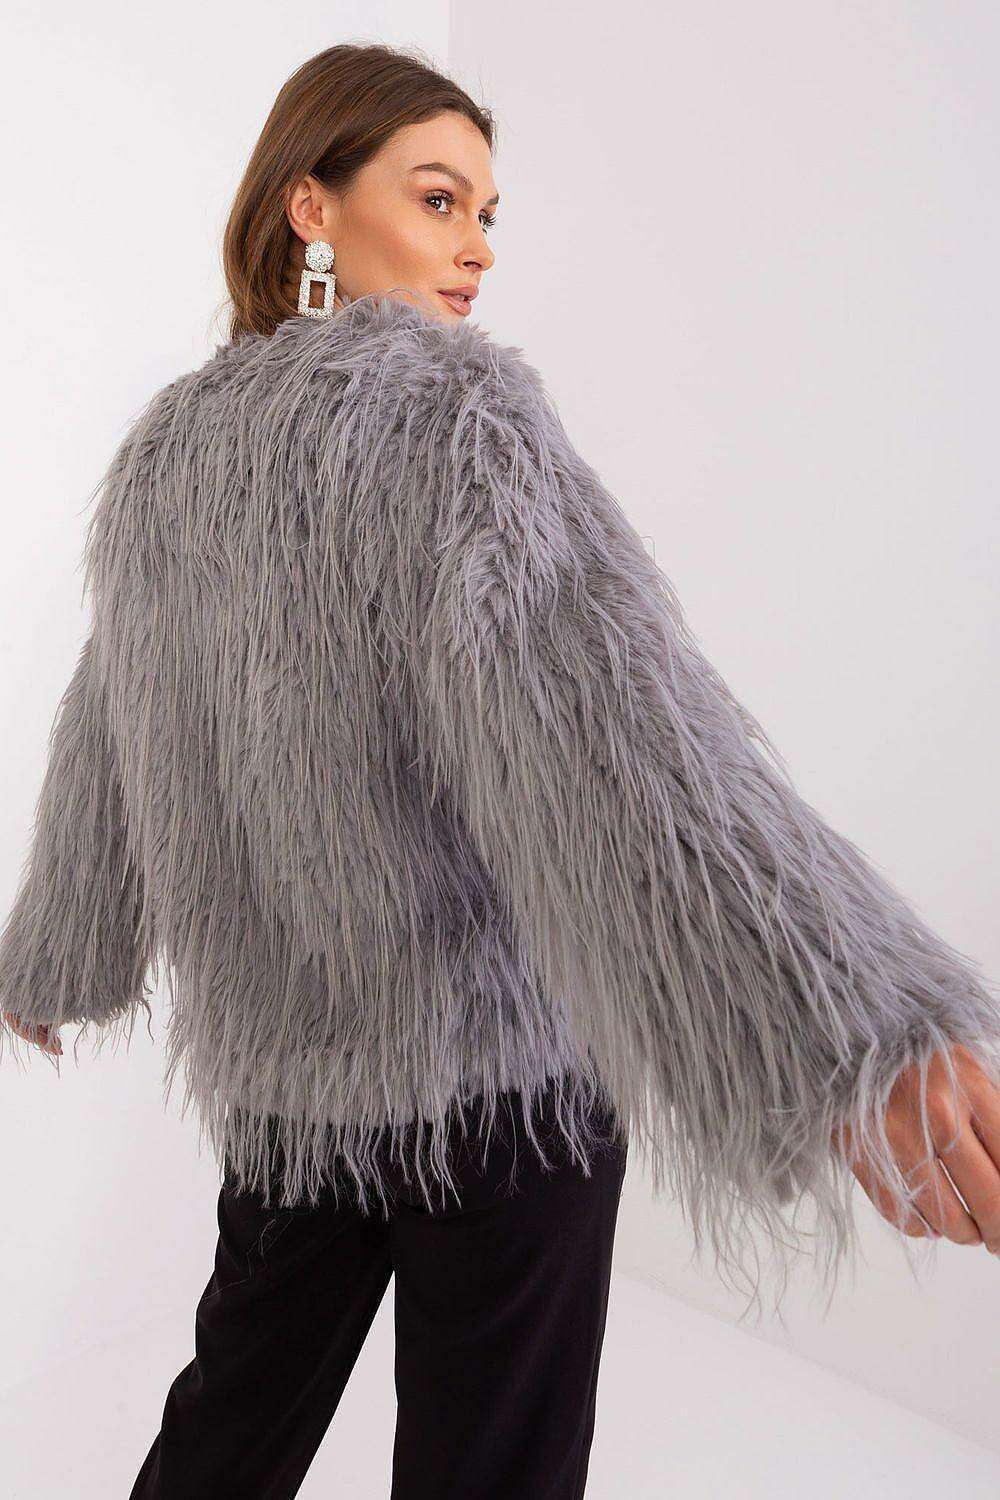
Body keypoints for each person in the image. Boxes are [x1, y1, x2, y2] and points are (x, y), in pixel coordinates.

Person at [2, 40, 999, 1500]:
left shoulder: (166, 460)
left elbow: (110, 729)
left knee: (224, 1435)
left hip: (288, 1082)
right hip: (499, 1085)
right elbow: (631, 745)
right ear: (310, 206)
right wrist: (853, 1022)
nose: (477, 247)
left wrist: (58, 952)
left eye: (486, 212)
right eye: (436, 198)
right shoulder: (456, 424)